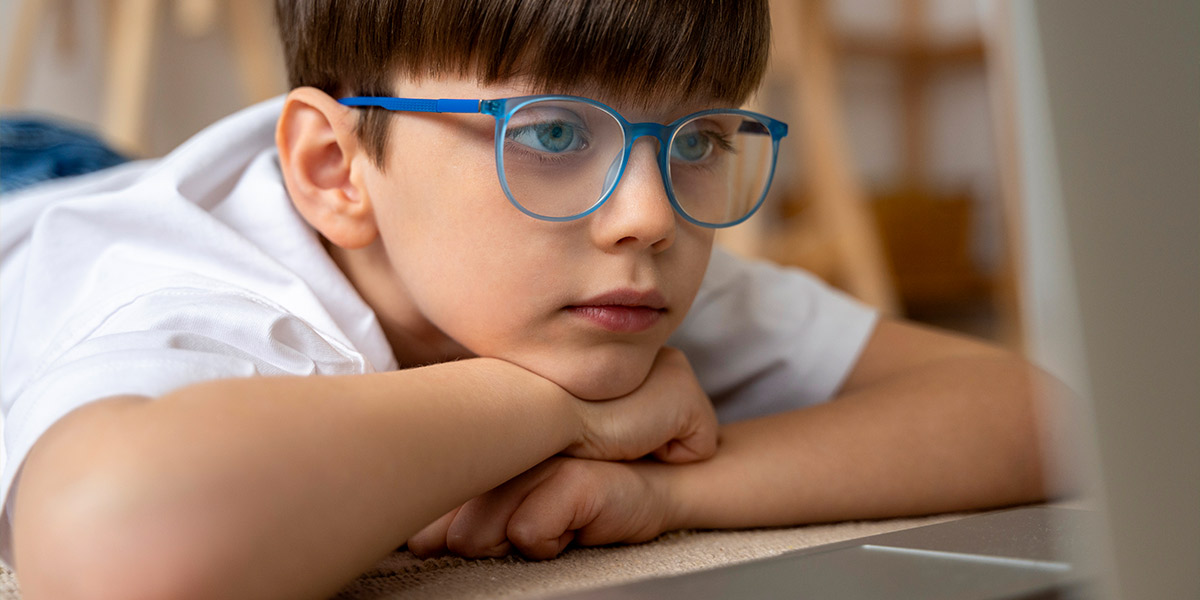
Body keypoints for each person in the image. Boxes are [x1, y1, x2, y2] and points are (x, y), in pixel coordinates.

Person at [0, 1, 1061, 598]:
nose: (647, 213)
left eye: (697, 139)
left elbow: (1043, 417)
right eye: (550, 132)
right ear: (336, 169)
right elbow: (110, 552)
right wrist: (560, 407)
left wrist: (668, 497)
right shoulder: (211, 298)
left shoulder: (608, 257)